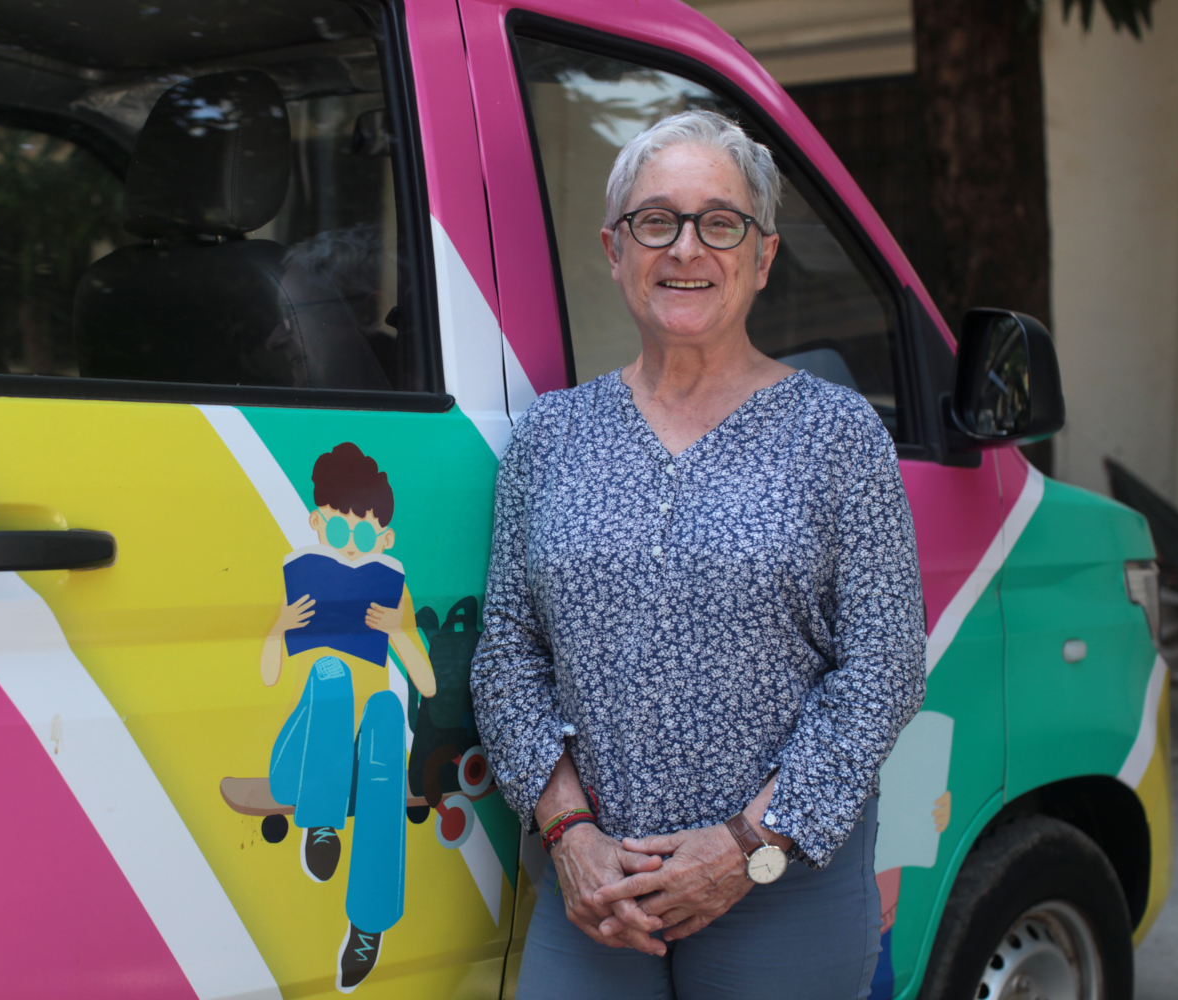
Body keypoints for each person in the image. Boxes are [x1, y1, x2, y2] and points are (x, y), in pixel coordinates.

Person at [469, 110, 926, 999]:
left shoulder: (837, 433)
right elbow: (508, 657)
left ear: (761, 256)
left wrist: (748, 846)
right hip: (602, 890)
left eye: (720, 222)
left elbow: (885, 667)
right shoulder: (552, 436)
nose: (686, 248)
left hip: (779, 877)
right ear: (614, 248)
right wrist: (571, 837)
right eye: (656, 221)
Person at [260, 442, 436, 992]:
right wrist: (280, 627)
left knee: (386, 709)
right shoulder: (302, 579)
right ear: (317, 523)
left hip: (367, 770)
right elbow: (268, 676)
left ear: (383, 539)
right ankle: (321, 821)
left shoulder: (390, 591)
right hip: (302, 758)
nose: (351, 548)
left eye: (362, 538)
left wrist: (397, 633)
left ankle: (367, 928)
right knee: (331, 673)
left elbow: (427, 685)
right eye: (339, 534)